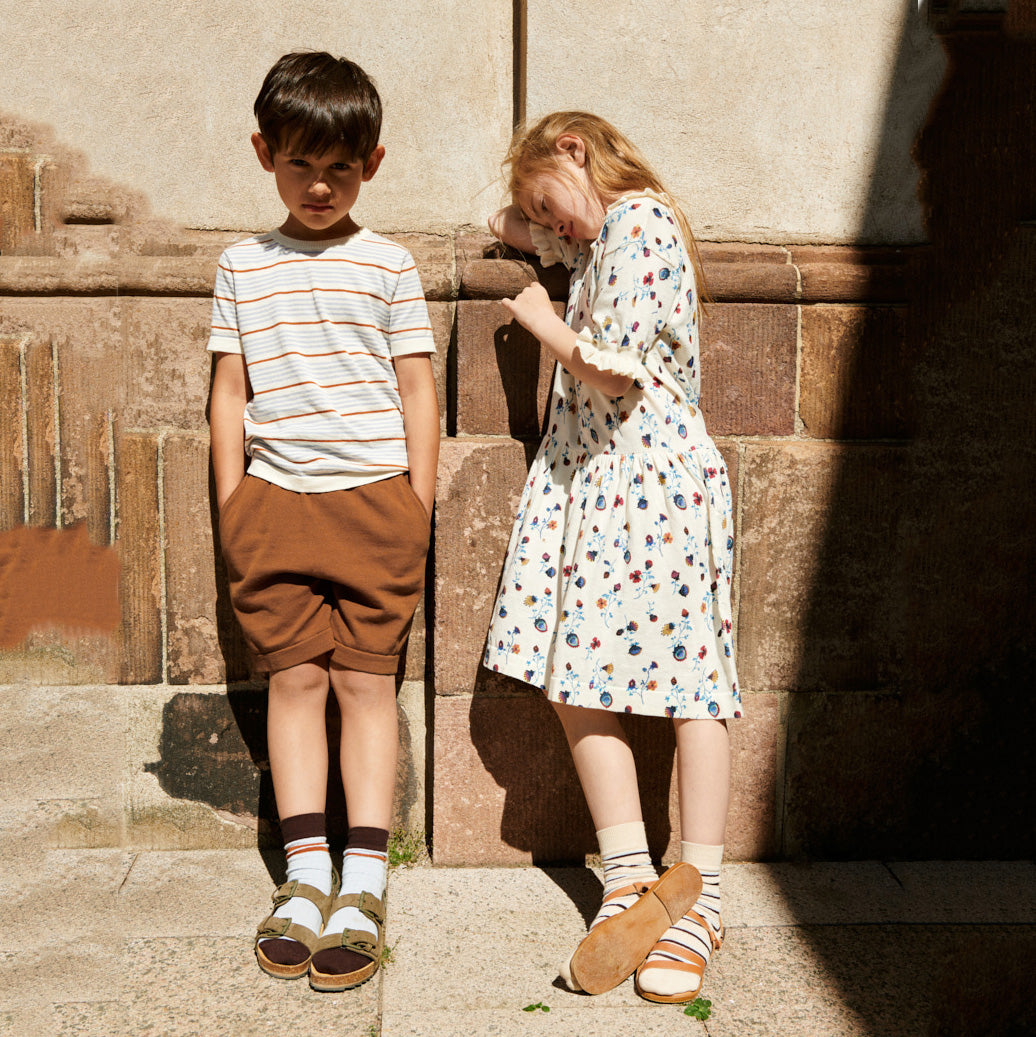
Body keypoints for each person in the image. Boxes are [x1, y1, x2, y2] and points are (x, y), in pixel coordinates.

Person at [483, 111, 742, 1004]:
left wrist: (541, 322)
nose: (549, 229)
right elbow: (506, 225)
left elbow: (617, 368)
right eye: (543, 218)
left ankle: (699, 889)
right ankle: (631, 878)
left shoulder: (640, 224)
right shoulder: (596, 237)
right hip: (600, 485)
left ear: (578, 151)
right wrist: (531, 206)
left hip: (653, 479)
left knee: (690, 682)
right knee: (573, 676)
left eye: (551, 204)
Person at [207, 51, 438, 992]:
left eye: (339, 168)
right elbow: (229, 392)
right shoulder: (241, 265)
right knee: (295, 682)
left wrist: (416, 502)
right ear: (265, 153)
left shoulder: (389, 263)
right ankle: (306, 876)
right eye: (300, 163)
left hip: (376, 503)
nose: (319, 184)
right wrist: (234, 501)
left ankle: (366, 878)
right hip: (274, 505)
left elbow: (417, 386)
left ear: (371, 164)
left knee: (366, 686)